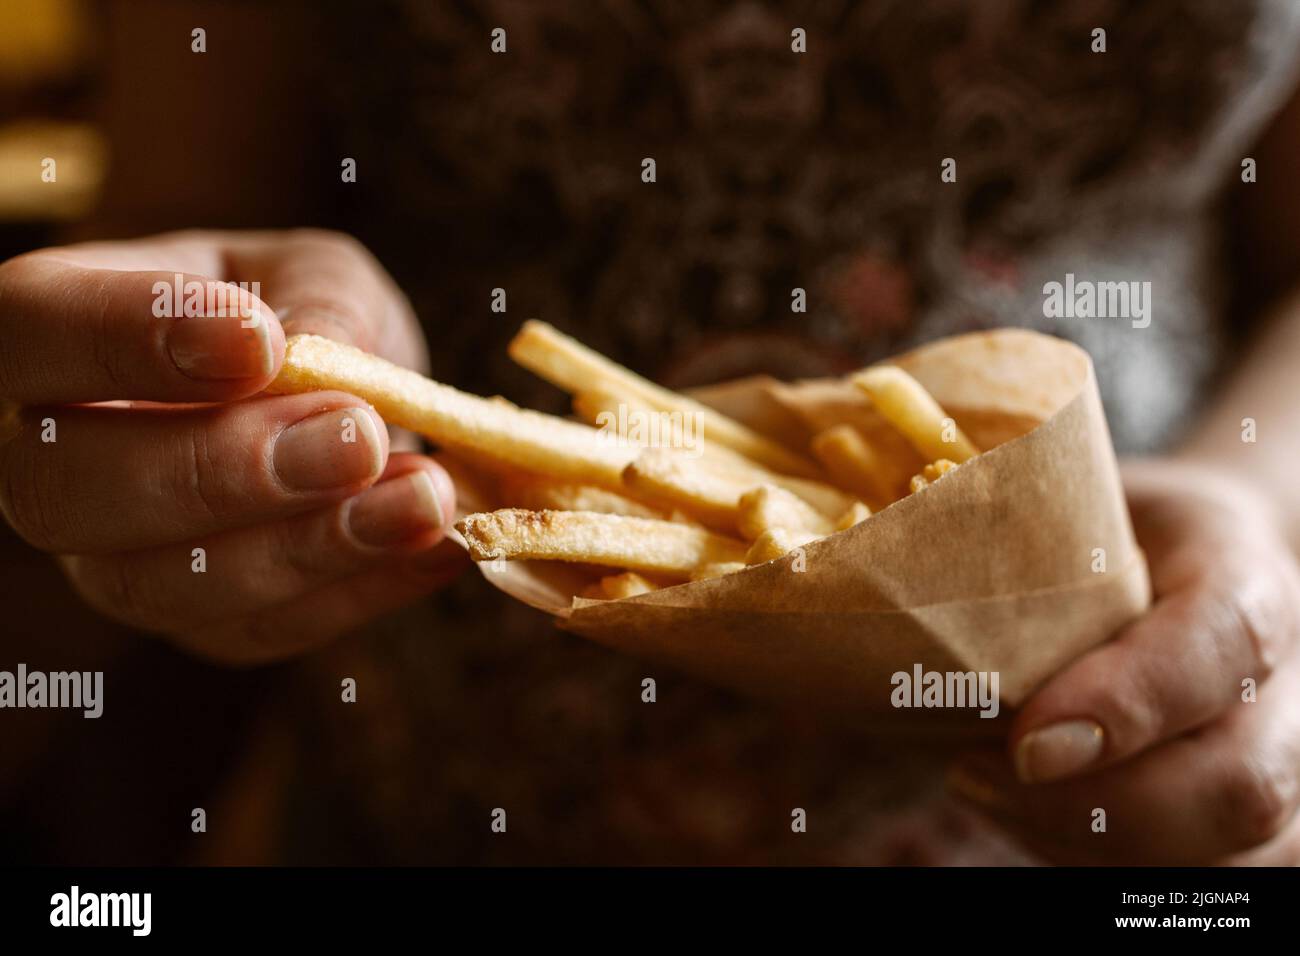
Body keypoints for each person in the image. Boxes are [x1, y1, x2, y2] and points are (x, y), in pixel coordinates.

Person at [1, 0, 1298, 864]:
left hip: (1115, 774)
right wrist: (179, 392)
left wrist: (1253, 503)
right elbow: (184, 188)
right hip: (436, 775)